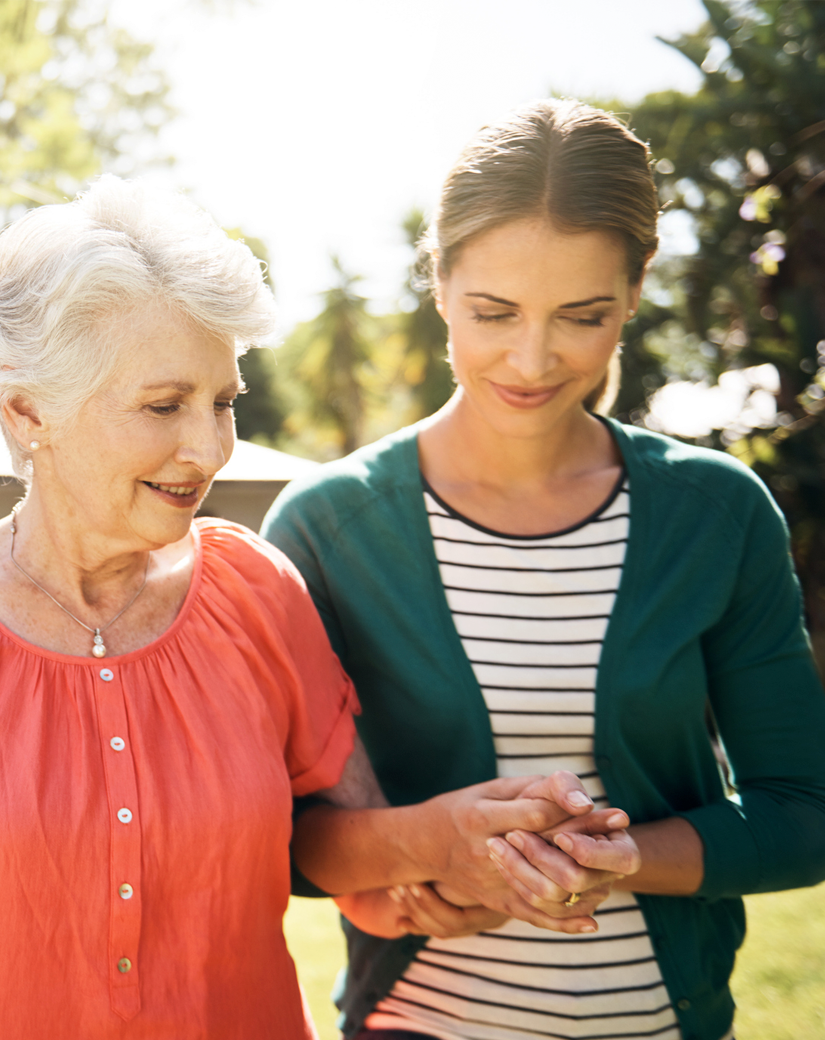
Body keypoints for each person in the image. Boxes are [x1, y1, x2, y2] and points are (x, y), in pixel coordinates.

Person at [0, 175, 632, 1040]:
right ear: (28, 410)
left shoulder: (255, 592)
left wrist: (479, 859)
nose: (210, 447)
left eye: (223, 401)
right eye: (164, 405)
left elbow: (363, 870)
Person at [263, 99, 825, 1040]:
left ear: (638, 289)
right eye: (493, 312)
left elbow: (802, 811)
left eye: (583, 314)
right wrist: (436, 845)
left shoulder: (717, 514)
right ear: (437, 282)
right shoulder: (327, 528)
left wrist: (615, 858)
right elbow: (280, 841)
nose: (532, 358)